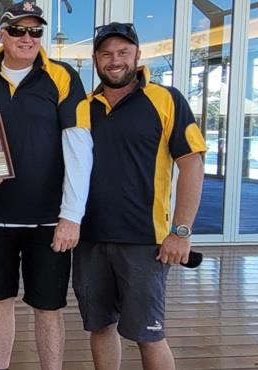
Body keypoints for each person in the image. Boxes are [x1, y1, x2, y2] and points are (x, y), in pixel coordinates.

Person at [0, 1, 92, 370]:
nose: (27, 38)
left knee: (49, 308)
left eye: (35, 31)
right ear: (2, 35)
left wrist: (71, 215)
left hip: (48, 220)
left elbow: (79, 147)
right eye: (18, 30)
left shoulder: (62, 77)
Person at [73, 22, 205, 370]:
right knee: (100, 327)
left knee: (149, 334)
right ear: (96, 60)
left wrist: (181, 231)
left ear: (137, 55)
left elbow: (191, 165)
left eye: (122, 53)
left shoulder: (166, 99)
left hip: (145, 242)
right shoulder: (83, 107)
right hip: (89, 240)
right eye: (106, 54)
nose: (114, 61)